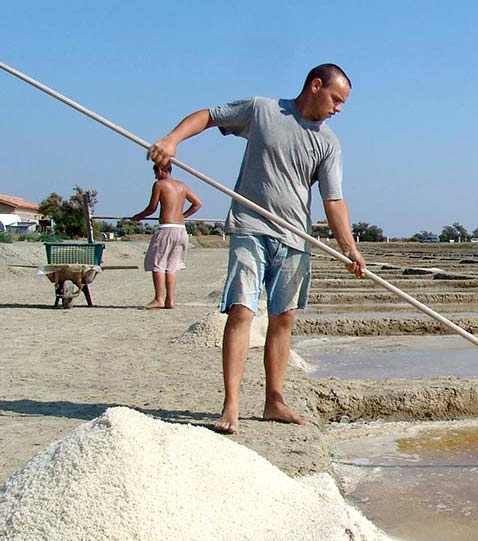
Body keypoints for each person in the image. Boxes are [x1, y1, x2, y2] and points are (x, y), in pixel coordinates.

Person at [147, 64, 367, 434]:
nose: (338, 109)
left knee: (283, 320)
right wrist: (172, 140)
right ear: (316, 86)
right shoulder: (262, 111)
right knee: (241, 312)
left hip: (296, 238)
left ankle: (273, 401)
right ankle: (231, 404)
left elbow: (334, 200)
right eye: (336, 99)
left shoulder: (328, 142)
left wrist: (349, 247)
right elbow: (209, 116)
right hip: (251, 227)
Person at [131, 163, 202, 309]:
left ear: (161, 170)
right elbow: (197, 203)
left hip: (166, 228)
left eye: (156, 172)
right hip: (181, 230)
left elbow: (152, 208)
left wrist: (139, 216)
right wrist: (183, 216)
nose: (155, 176)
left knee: (158, 264)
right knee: (172, 266)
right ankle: (170, 300)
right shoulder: (182, 186)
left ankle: (159, 299)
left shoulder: (159, 184)